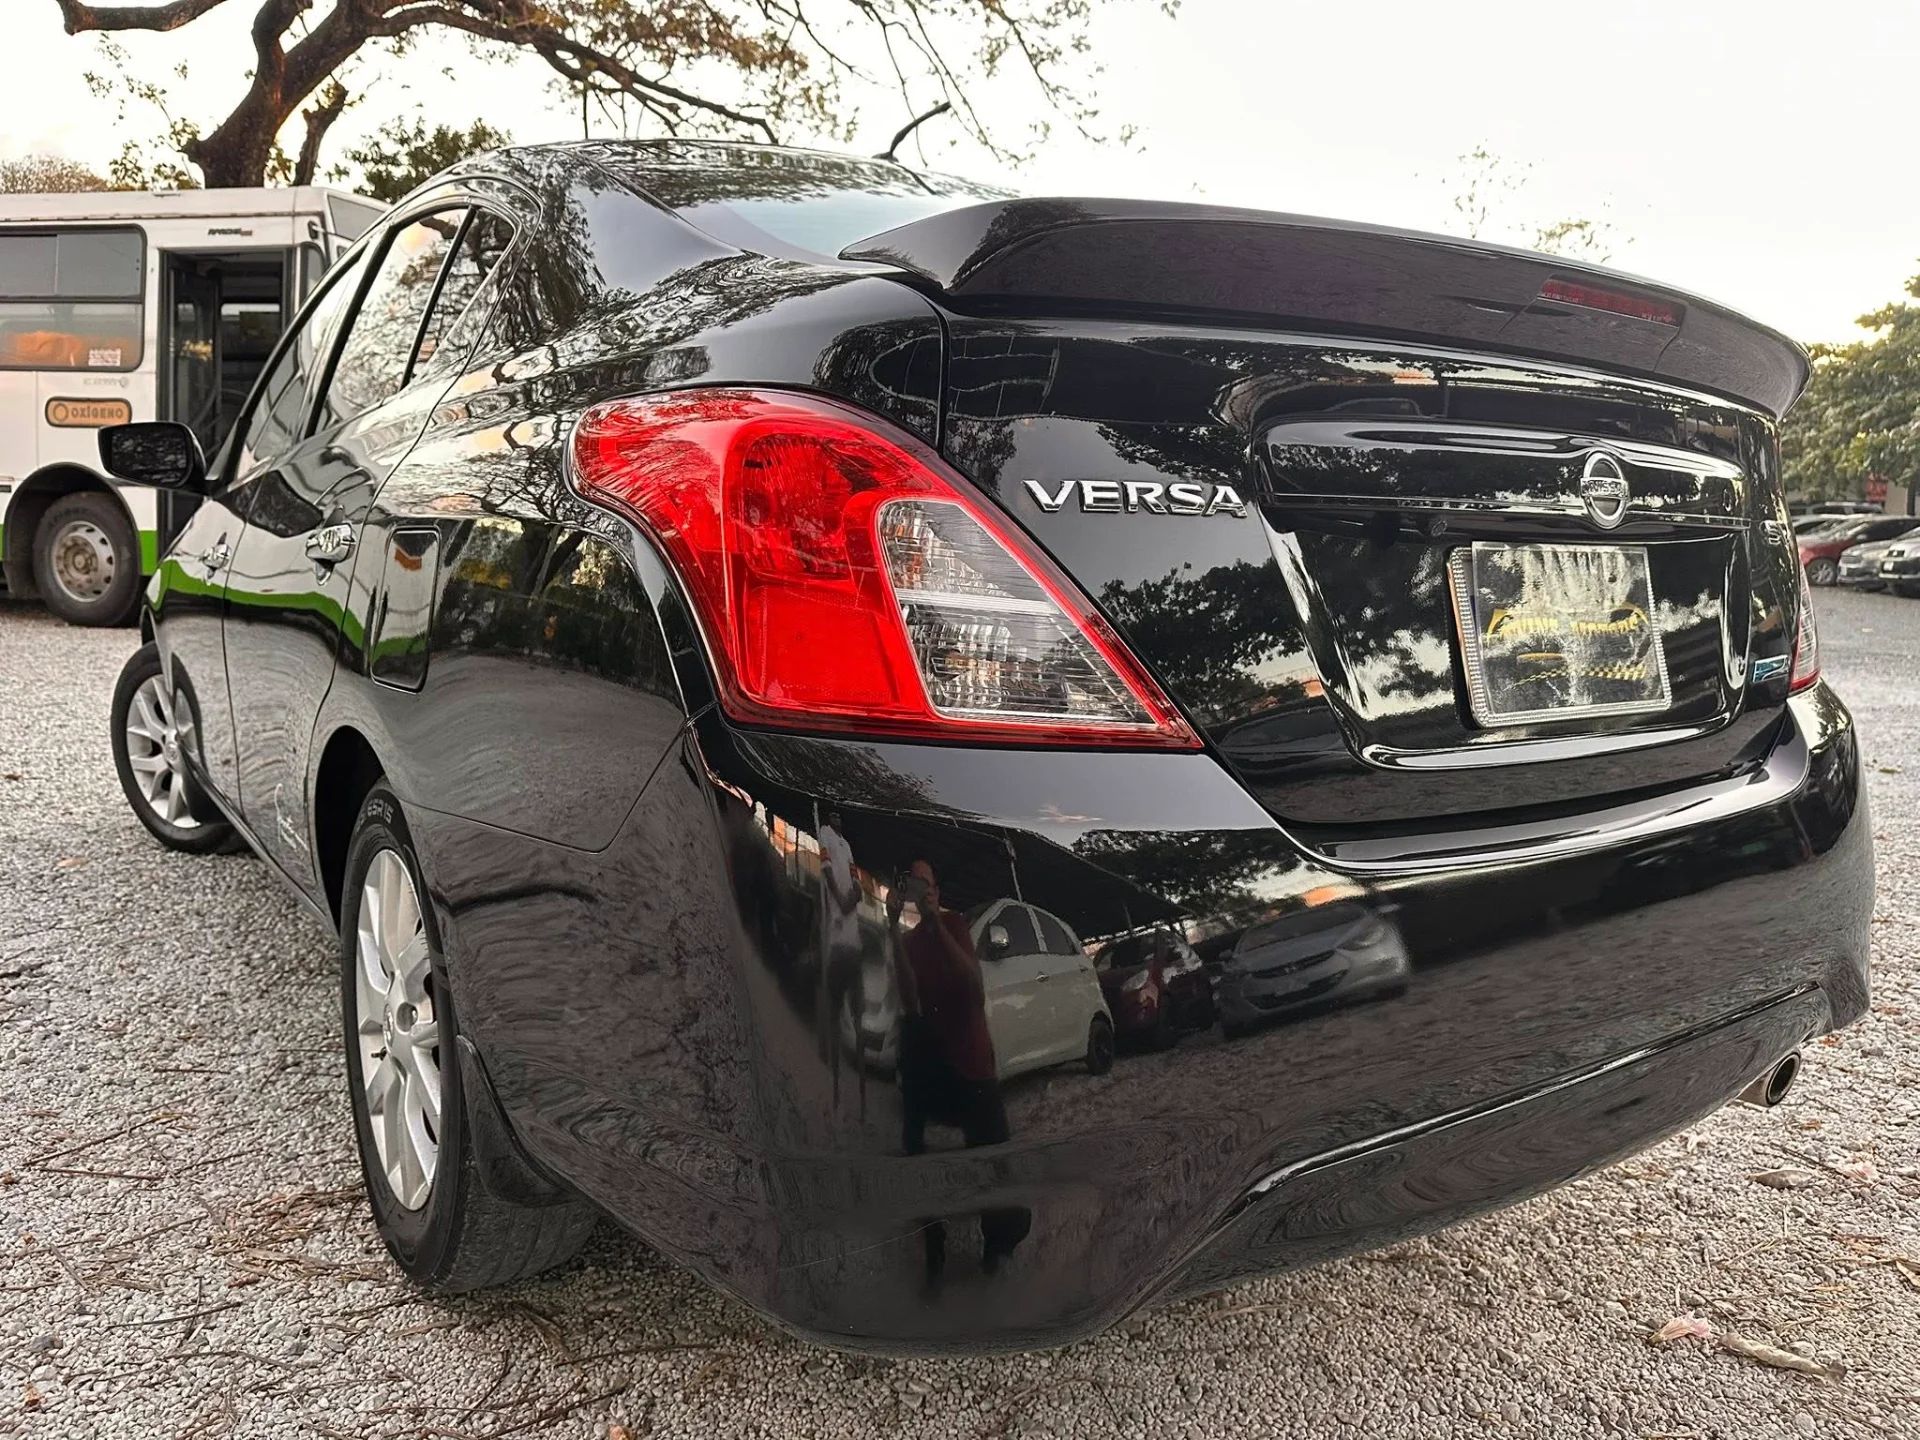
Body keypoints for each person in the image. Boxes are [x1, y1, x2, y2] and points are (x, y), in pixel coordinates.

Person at [889, 860, 1029, 1281]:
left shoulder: (954, 925)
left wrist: (935, 924)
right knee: (920, 1159)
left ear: (936, 890)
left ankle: (998, 1250)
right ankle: (934, 1252)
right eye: (911, 882)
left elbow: (974, 990)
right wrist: (891, 931)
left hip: (971, 1061)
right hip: (934, 1064)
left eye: (923, 882)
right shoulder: (910, 942)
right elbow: (909, 1003)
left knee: (995, 1165)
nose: (917, 888)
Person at [815, 812, 866, 1111]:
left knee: (858, 1015)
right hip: (836, 938)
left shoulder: (846, 845)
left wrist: (853, 899)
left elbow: (857, 882)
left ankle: (859, 1095)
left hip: (853, 941)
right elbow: (824, 870)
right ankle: (834, 1085)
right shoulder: (825, 834)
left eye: (840, 813)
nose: (838, 816)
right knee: (834, 1013)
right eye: (833, 812)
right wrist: (841, 901)